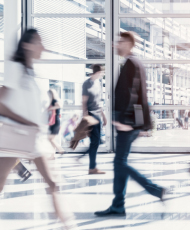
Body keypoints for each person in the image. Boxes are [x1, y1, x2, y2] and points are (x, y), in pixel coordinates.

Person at [0, 29, 73, 230]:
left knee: (53, 184)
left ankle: (68, 225)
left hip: (32, 139)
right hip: (16, 137)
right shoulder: (15, 68)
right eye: (39, 42)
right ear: (27, 45)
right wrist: (25, 122)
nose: (43, 47)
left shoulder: (30, 72)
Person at [94, 32, 168, 217]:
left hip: (128, 123)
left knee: (120, 162)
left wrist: (125, 122)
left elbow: (132, 94)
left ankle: (154, 189)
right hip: (133, 122)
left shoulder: (131, 63)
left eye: (119, 42)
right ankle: (118, 205)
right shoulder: (136, 63)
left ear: (128, 43)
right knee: (120, 163)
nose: (116, 45)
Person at [79, 64, 106, 174]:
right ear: (98, 72)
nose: (103, 74)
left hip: (97, 114)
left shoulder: (98, 83)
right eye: (102, 72)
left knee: (97, 141)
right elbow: (84, 101)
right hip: (90, 114)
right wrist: (85, 116)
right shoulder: (87, 83)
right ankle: (92, 167)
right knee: (95, 141)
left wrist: (103, 116)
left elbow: (99, 103)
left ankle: (85, 160)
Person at [47, 89, 63, 157]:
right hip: (55, 121)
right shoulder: (54, 101)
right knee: (52, 139)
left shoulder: (54, 101)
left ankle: (60, 149)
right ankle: (52, 156)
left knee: (50, 139)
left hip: (55, 121)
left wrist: (50, 109)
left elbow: (59, 106)